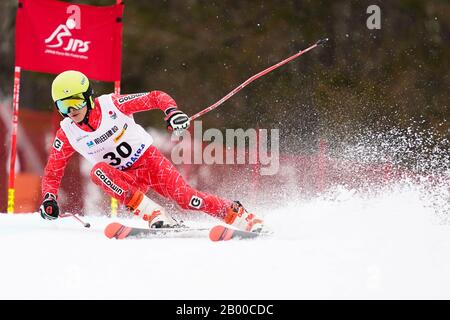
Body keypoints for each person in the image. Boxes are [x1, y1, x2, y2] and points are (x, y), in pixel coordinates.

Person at [38, 70, 264, 232]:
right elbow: (53, 171)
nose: (70, 111)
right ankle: (153, 213)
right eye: (62, 106)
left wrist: (172, 112)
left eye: (75, 103)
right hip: (126, 178)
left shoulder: (112, 105)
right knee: (98, 171)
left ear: (88, 97)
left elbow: (155, 97)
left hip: (150, 162)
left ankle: (237, 214)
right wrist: (49, 198)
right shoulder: (67, 132)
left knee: (187, 199)